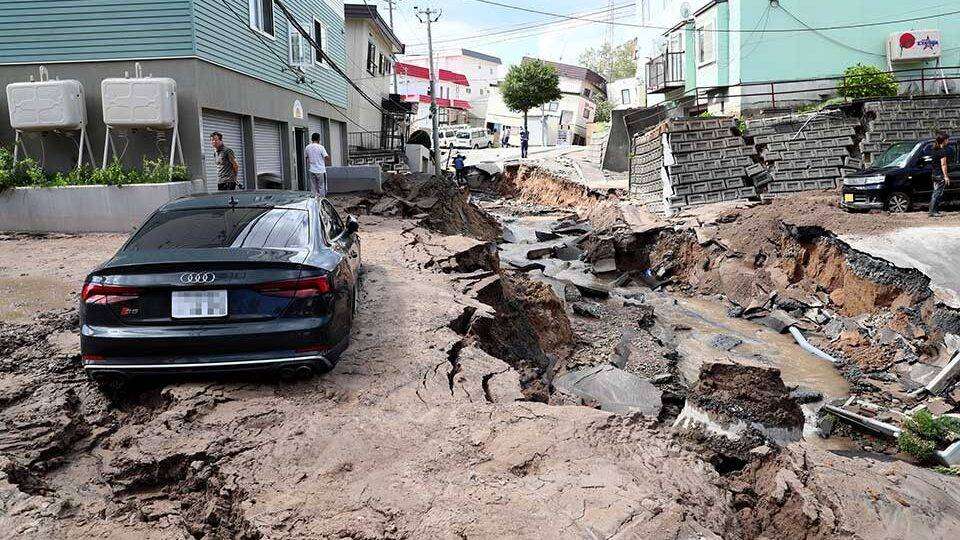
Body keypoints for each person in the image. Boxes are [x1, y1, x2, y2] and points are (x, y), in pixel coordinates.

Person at [929, 131, 952, 217]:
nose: (948, 141)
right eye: (947, 139)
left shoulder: (934, 150)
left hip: (934, 174)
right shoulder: (942, 151)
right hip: (939, 175)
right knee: (938, 193)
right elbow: (943, 164)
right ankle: (933, 211)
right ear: (944, 140)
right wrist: (946, 176)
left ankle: (933, 210)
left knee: (935, 193)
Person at [305, 132, 331, 198]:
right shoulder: (321, 147)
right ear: (318, 139)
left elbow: (306, 158)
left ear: (312, 139)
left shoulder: (307, 147)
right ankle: (322, 201)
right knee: (321, 186)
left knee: (313, 187)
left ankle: (314, 201)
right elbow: (327, 158)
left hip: (312, 170)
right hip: (320, 170)